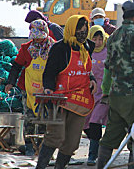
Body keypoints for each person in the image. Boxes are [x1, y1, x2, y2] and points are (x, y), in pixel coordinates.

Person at [96, 0, 134, 169]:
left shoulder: (114, 35)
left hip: (116, 96)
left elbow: (108, 67)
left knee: (109, 138)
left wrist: (106, 91)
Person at [35, 15, 97, 169]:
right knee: (55, 136)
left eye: (85, 30)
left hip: (80, 99)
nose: (82, 33)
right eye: (79, 30)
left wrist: (92, 79)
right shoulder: (59, 48)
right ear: (71, 29)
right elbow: (49, 72)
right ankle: (40, 167)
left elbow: (88, 70)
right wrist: (48, 88)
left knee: (72, 142)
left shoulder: (88, 46)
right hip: (59, 99)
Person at [5, 19, 54, 155]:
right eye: (35, 37)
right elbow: (16, 66)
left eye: (39, 37)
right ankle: (28, 145)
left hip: (47, 89)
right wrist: (10, 82)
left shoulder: (53, 47)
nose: (37, 40)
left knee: (45, 117)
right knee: (29, 117)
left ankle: (42, 146)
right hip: (28, 89)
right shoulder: (26, 48)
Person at [83, 25, 110, 166]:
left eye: (101, 39)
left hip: (104, 95)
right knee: (86, 125)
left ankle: (92, 155)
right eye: (95, 39)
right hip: (88, 95)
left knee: (95, 122)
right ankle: (97, 148)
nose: (98, 42)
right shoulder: (87, 52)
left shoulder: (109, 52)